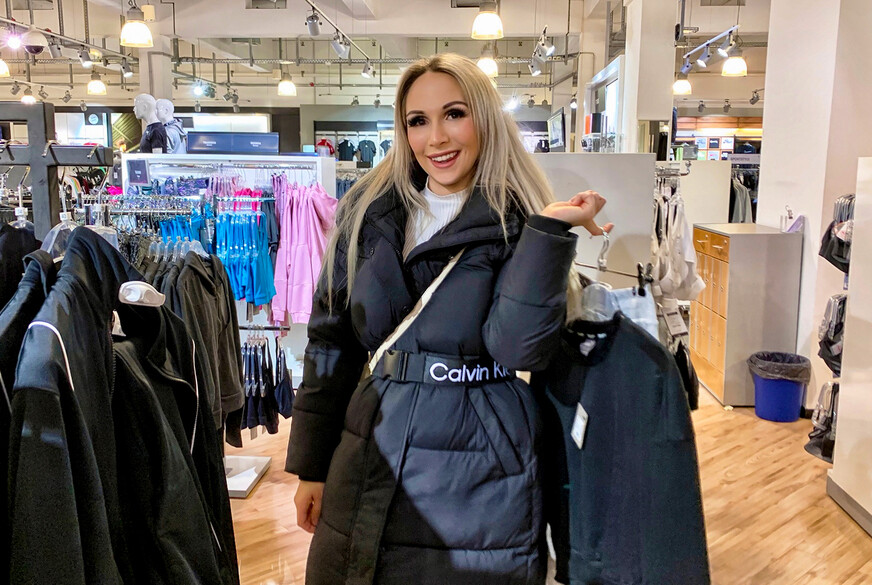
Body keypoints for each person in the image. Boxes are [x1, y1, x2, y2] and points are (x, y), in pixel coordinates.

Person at [286, 53, 612, 585]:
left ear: (484, 119)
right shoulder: (367, 212)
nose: (435, 137)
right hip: (372, 446)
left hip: (480, 459)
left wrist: (548, 234)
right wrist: (311, 465)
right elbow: (331, 342)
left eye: (454, 114)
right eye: (418, 121)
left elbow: (518, 349)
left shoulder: (517, 224)